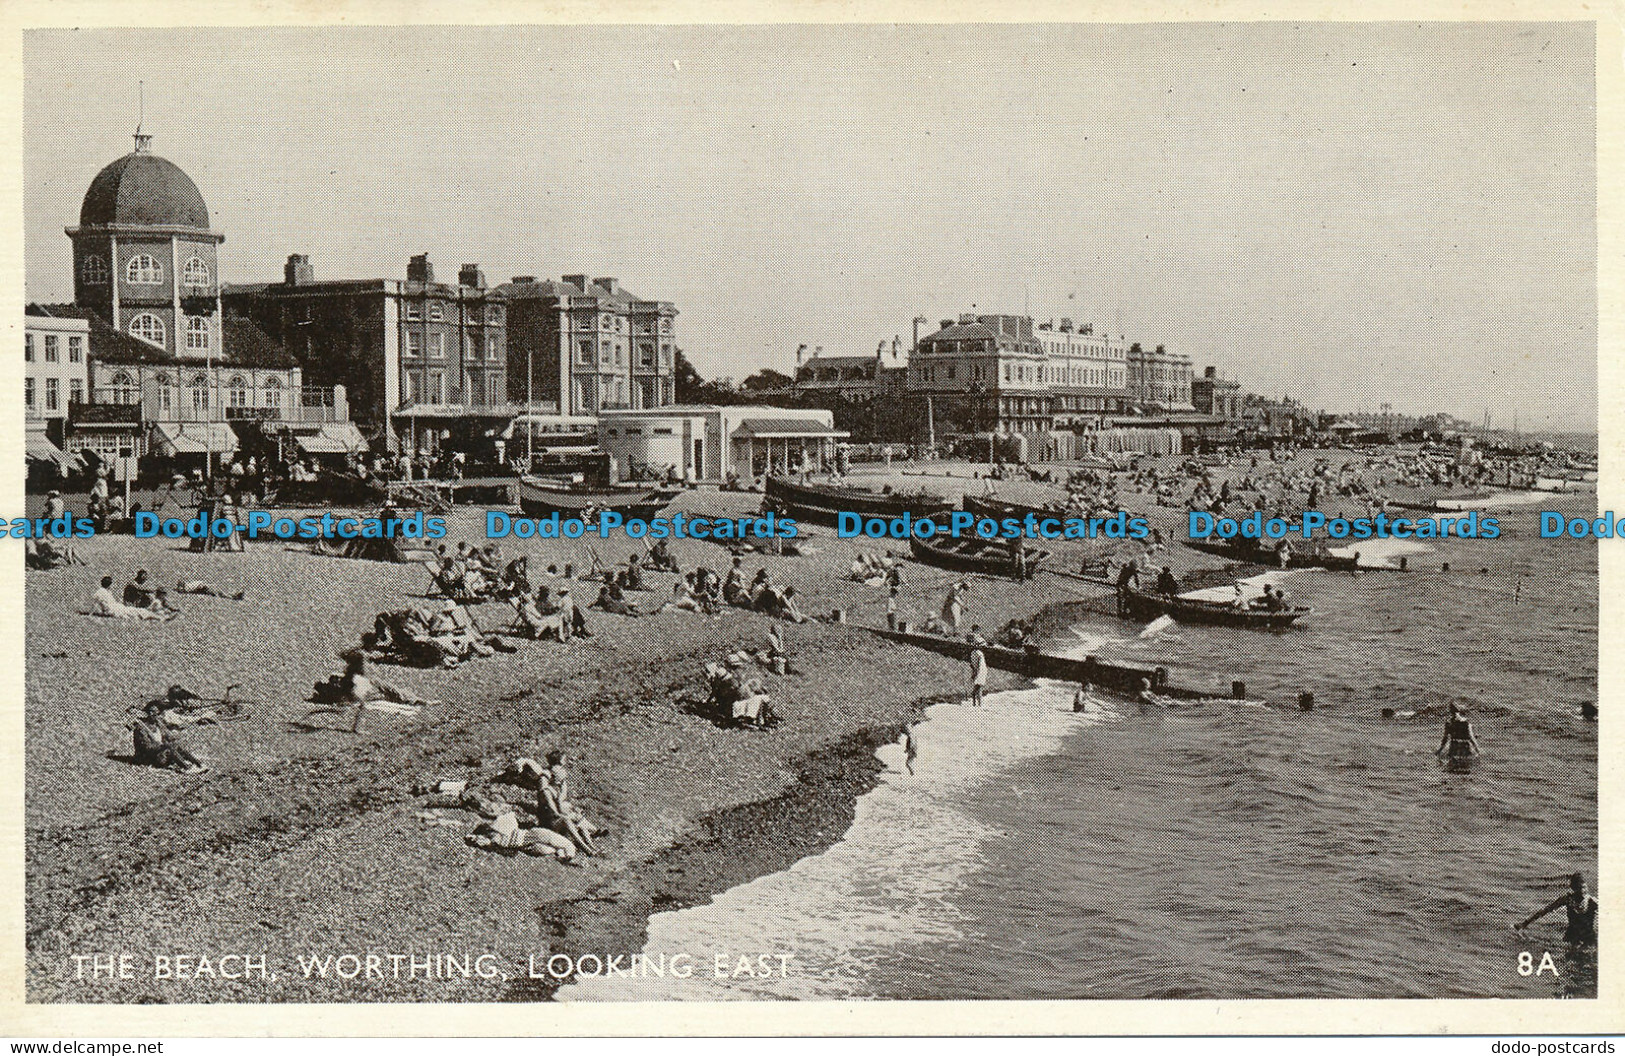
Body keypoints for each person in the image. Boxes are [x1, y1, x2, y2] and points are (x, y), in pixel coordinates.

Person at [1515, 873, 1598, 947]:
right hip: (1572, 934)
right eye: (1579, 888)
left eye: (1584, 887)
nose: (1582, 891)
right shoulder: (1567, 899)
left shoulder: (1592, 901)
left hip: (1588, 936)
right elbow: (1546, 910)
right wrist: (1525, 923)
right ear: (1573, 888)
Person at [129, 701, 208, 773]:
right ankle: (186, 768)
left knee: (177, 746)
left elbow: (170, 737)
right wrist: (163, 746)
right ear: (147, 713)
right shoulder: (141, 728)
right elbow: (147, 747)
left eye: (156, 713)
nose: (154, 715)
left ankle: (199, 764)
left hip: (159, 753)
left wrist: (173, 741)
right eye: (151, 712)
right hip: (148, 758)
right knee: (169, 748)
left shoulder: (158, 724)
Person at [93, 575, 166, 620]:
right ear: (109, 585)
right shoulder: (102, 592)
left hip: (117, 608)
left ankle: (159, 616)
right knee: (139, 612)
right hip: (116, 611)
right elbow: (99, 607)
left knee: (138, 611)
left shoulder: (101, 592)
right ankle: (160, 617)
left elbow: (96, 605)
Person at [174, 579, 248, 601]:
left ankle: (234, 595)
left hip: (203, 587)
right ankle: (234, 596)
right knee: (218, 591)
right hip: (203, 588)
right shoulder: (187, 588)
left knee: (218, 590)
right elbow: (183, 590)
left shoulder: (188, 586)